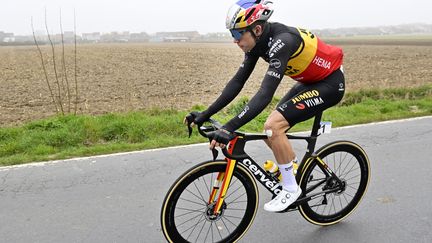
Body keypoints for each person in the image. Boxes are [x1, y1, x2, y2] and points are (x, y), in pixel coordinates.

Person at [185, 0, 345, 212]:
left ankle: (290, 188)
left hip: (330, 84)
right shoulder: (257, 42)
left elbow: (264, 94)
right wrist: (206, 114)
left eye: (236, 34)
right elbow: (237, 83)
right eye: (232, 35)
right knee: (271, 130)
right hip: (309, 82)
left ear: (257, 28)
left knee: (274, 126)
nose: (235, 41)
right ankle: (292, 167)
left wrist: (228, 128)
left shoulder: (283, 41)